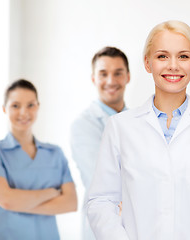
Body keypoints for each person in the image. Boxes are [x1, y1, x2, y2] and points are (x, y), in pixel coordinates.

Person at [87, 20, 190, 240]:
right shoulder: (120, 127)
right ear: (147, 63)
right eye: (162, 56)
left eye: (183, 56)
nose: (173, 65)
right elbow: (101, 201)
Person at [0, 79, 77, 240]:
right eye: (15, 106)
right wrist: (51, 193)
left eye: (30, 105)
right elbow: (6, 201)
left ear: (38, 107)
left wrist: (19, 203)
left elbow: (71, 203)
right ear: (4, 109)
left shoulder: (55, 153)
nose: (24, 112)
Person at [70, 46, 130, 240]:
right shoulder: (83, 125)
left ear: (127, 77)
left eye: (118, 73)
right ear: (93, 78)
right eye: (103, 74)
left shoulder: (141, 122)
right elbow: (103, 177)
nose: (111, 81)